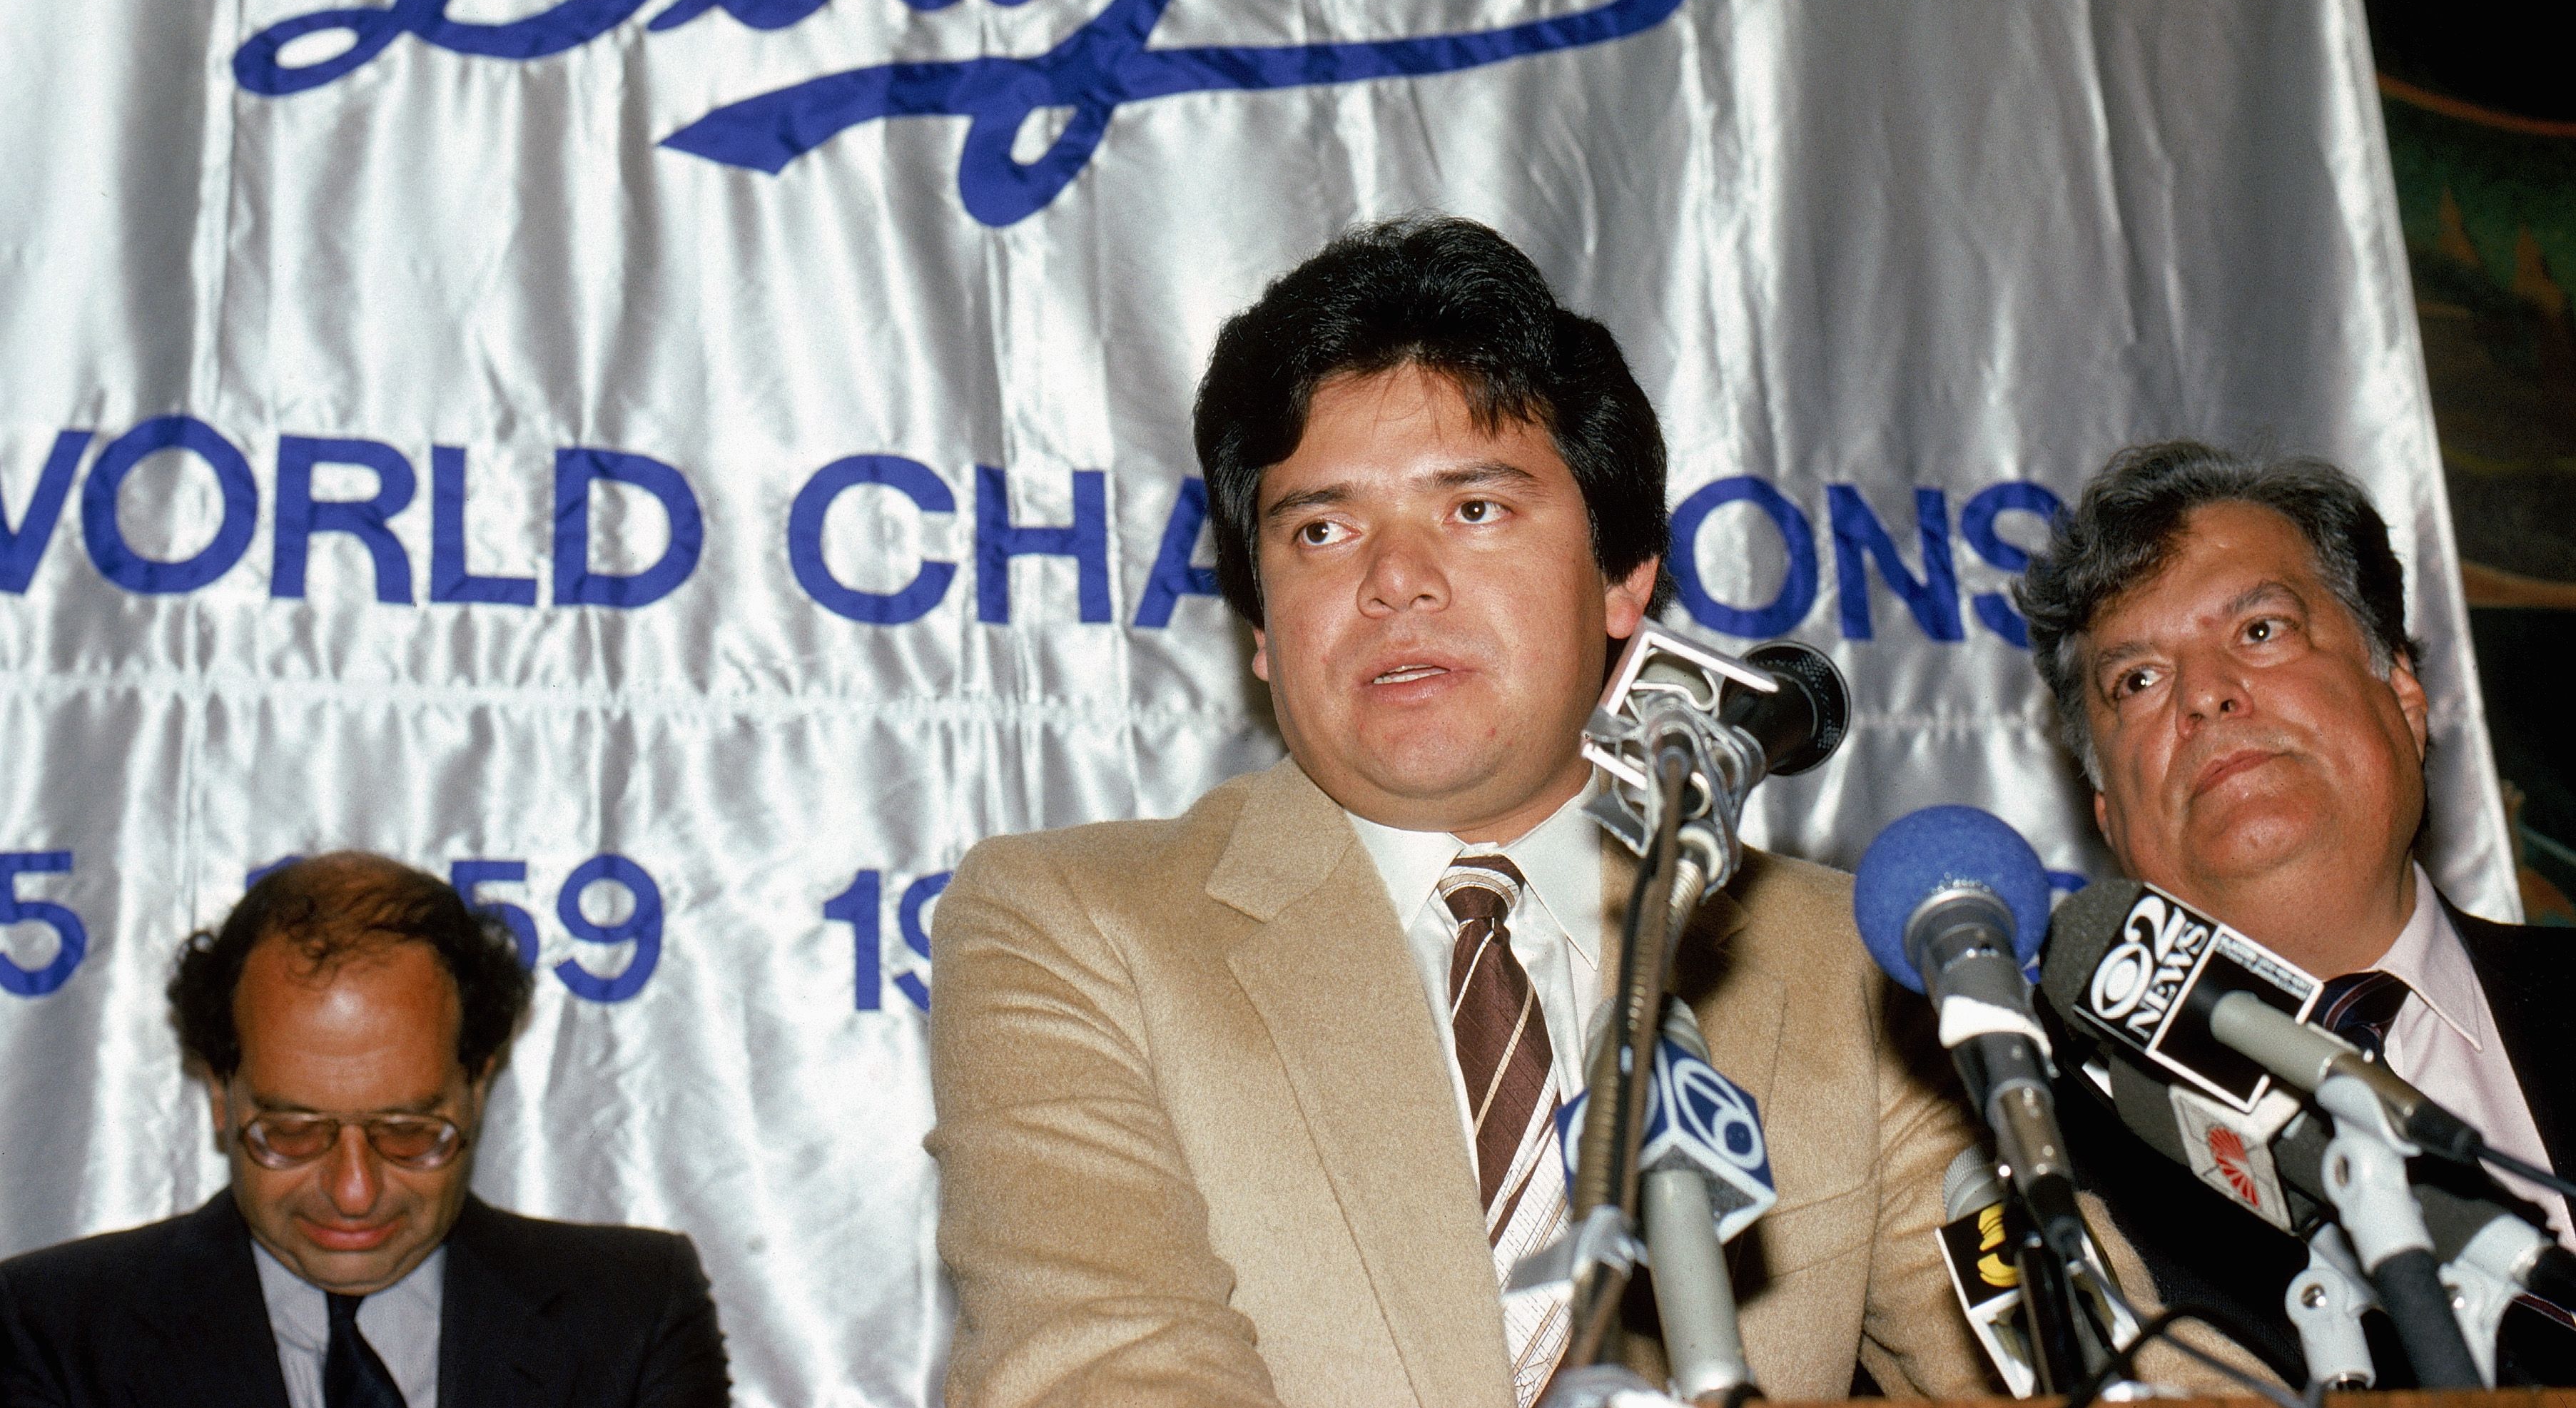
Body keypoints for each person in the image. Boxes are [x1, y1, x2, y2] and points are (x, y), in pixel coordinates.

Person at [931, 213, 2032, 1407]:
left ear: (1623, 577)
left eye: (1473, 510)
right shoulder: (1075, 922)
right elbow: (1106, 1372)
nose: (1395, 580)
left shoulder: (1839, 958)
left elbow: (2076, 1356)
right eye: (1322, 529)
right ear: (1259, 626)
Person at [2018, 438, 2576, 1383]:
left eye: (2259, 630)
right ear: (2109, 817)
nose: (2204, 695)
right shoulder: (2049, 1146)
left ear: (2403, 696)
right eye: (2137, 680)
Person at [0, 852, 730, 1407]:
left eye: (408, 1132)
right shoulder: (51, 1332)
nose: (354, 1192)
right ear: (221, 1094)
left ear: (477, 1086)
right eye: (292, 1133)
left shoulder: (631, 1317)